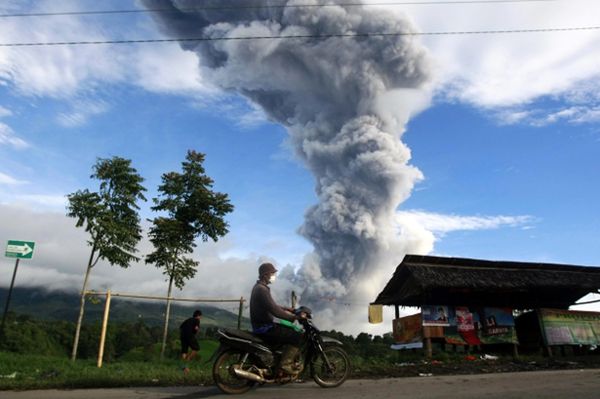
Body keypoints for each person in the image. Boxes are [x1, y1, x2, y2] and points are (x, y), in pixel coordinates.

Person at [250, 262, 303, 376]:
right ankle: (285, 365)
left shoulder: (260, 287)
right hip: (265, 328)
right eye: (272, 273)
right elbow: (274, 310)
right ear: (265, 275)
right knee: (295, 336)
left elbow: (271, 305)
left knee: (285, 333)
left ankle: (277, 365)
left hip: (262, 326)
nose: (274, 276)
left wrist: (288, 309)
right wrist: (292, 317)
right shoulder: (262, 290)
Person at [180, 309, 202, 374]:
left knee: (184, 351)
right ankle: (187, 362)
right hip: (189, 335)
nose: (200, 318)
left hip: (182, 335)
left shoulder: (188, 319)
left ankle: (183, 367)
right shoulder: (197, 320)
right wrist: (194, 333)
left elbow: (181, 327)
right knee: (196, 348)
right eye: (200, 316)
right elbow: (196, 329)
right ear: (198, 316)